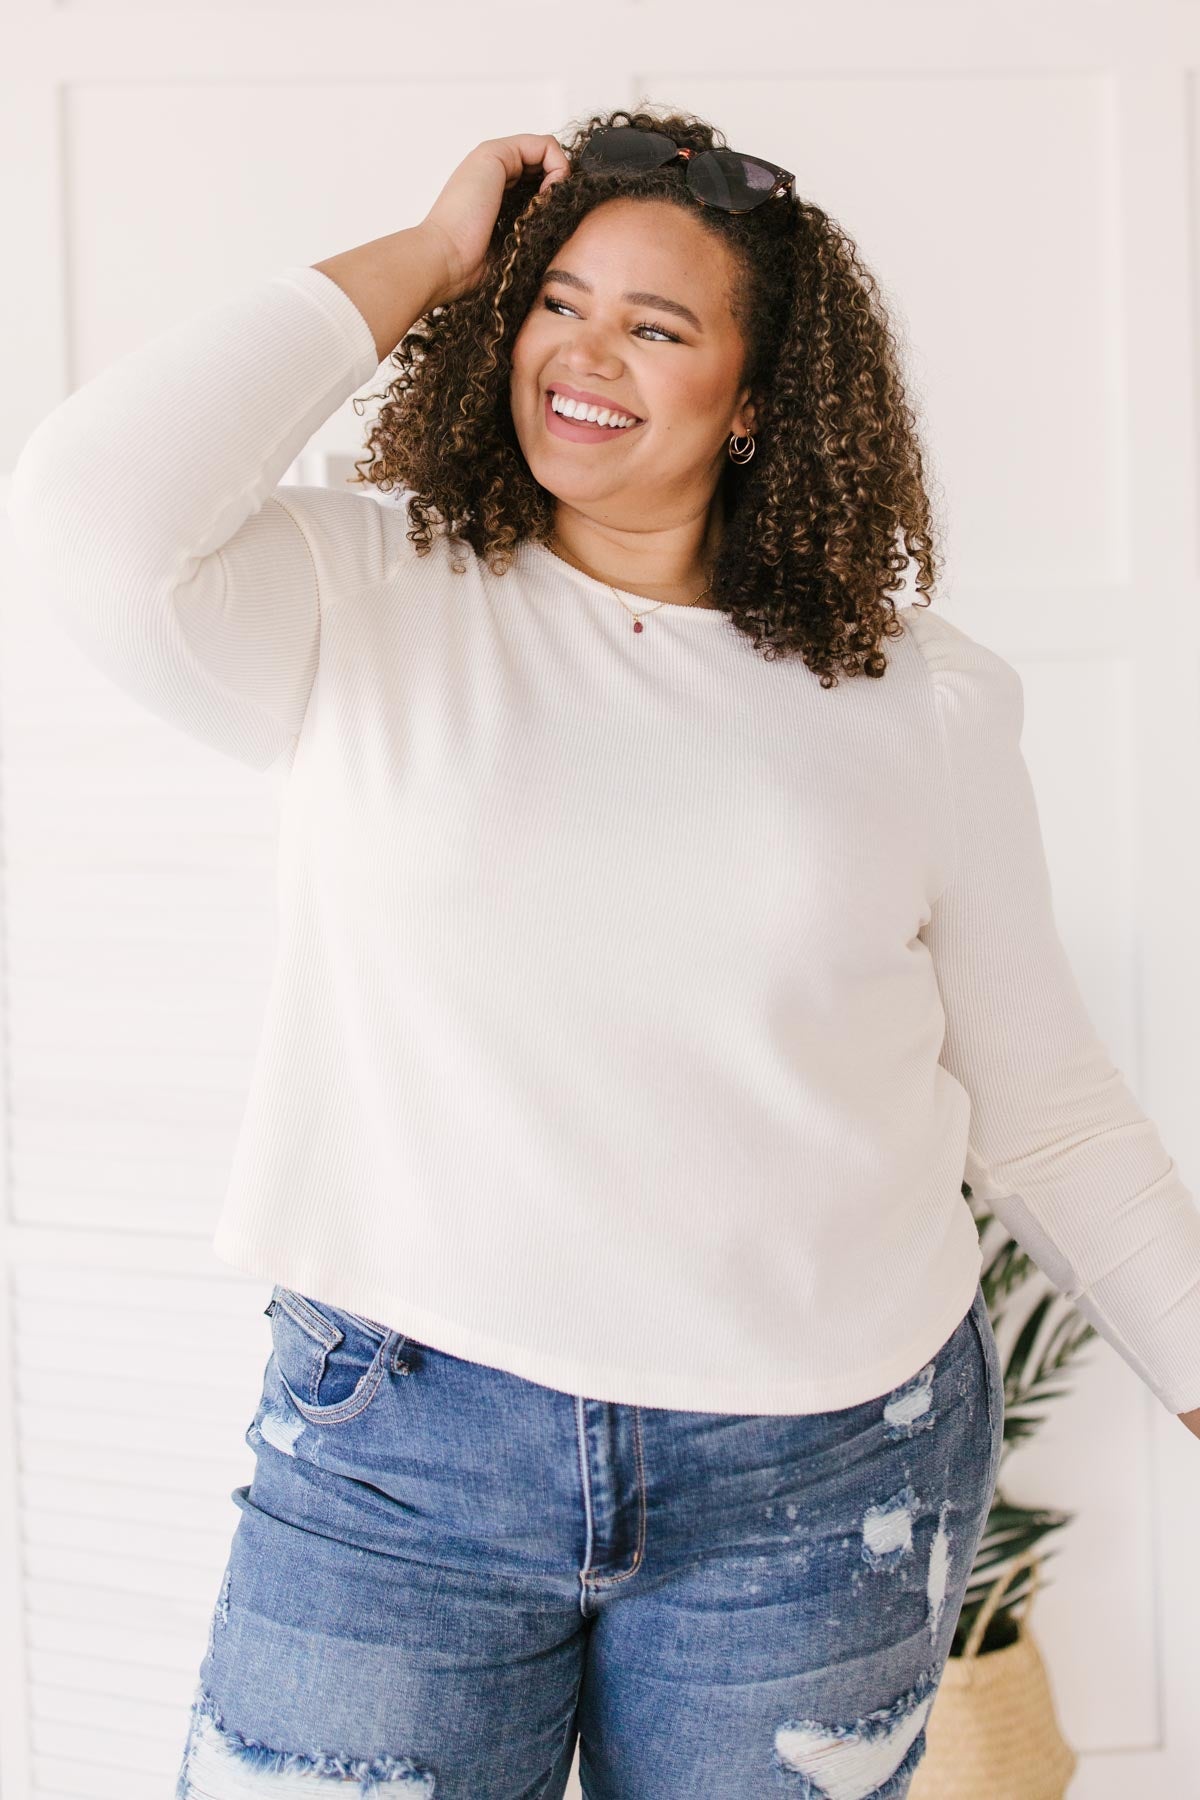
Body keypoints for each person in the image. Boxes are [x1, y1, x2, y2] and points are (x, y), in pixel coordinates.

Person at [8, 107, 1200, 1800]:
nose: (585, 355)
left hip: (818, 1482)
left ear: (760, 394)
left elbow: (1053, 1107)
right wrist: (427, 254)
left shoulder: (917, 701)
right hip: (403, 1462)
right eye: (556, 302)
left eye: (657, 325)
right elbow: (85, 507)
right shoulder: (370, 590)